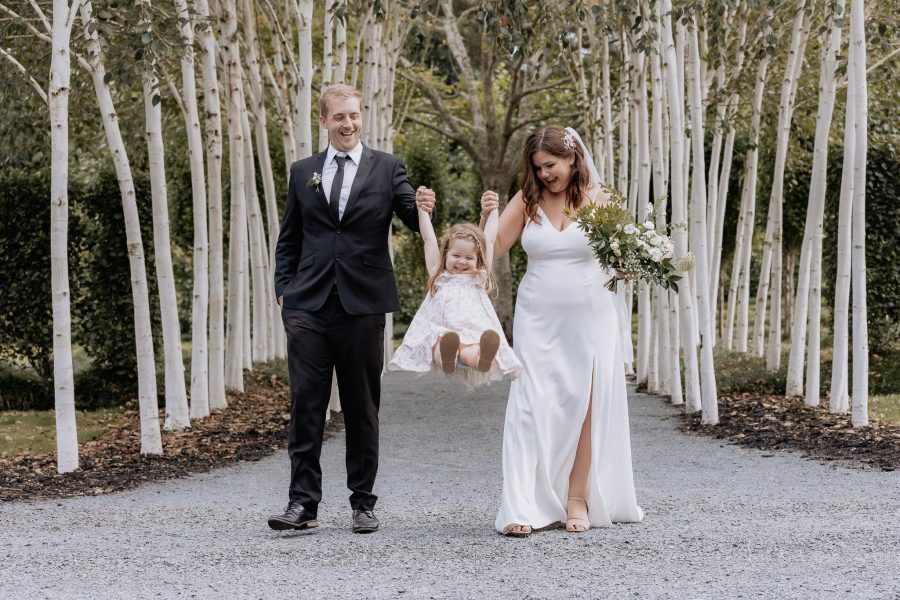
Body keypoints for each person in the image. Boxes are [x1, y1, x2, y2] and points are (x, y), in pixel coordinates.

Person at [270, 84, 435, 534]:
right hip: (308, 303)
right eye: (339, 117)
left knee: (362, 406)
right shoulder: (304, 171)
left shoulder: (387, 168)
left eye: (355, 116)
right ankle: (302, 504)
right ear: (323, 121)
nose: (348, 124)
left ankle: (363, 502)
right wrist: (284, 290)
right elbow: (291, 236)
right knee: (306, 404)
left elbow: (407, 213)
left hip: (362, 304)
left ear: (362, 118)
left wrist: (422, 208)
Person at [482, 125, 643, 537]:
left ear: (572, 158)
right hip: (537, 317)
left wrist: (630, 264)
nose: (545, 175)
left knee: (584, 404)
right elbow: (494, 248)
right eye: (538, 168)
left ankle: (576, 497)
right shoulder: (529, 198)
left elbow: (625, 252)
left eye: (550, 166)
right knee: (528, 404)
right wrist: (488, 217)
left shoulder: (600, 197)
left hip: (590, 317)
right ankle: (520, 503)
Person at [388, 207, 521, 389]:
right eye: (456, 255)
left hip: (470, 331)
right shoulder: (439, 273)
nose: (462, 261)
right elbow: (428, 238)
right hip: (441, 330)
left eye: (469, 257)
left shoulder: (478, 277)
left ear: (477, 260)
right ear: (446, 254)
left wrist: (494, 210)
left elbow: (488, 240)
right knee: (440, 344)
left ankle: (482, 359)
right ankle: (448, 358)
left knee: (470, 349)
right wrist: (422, 211)